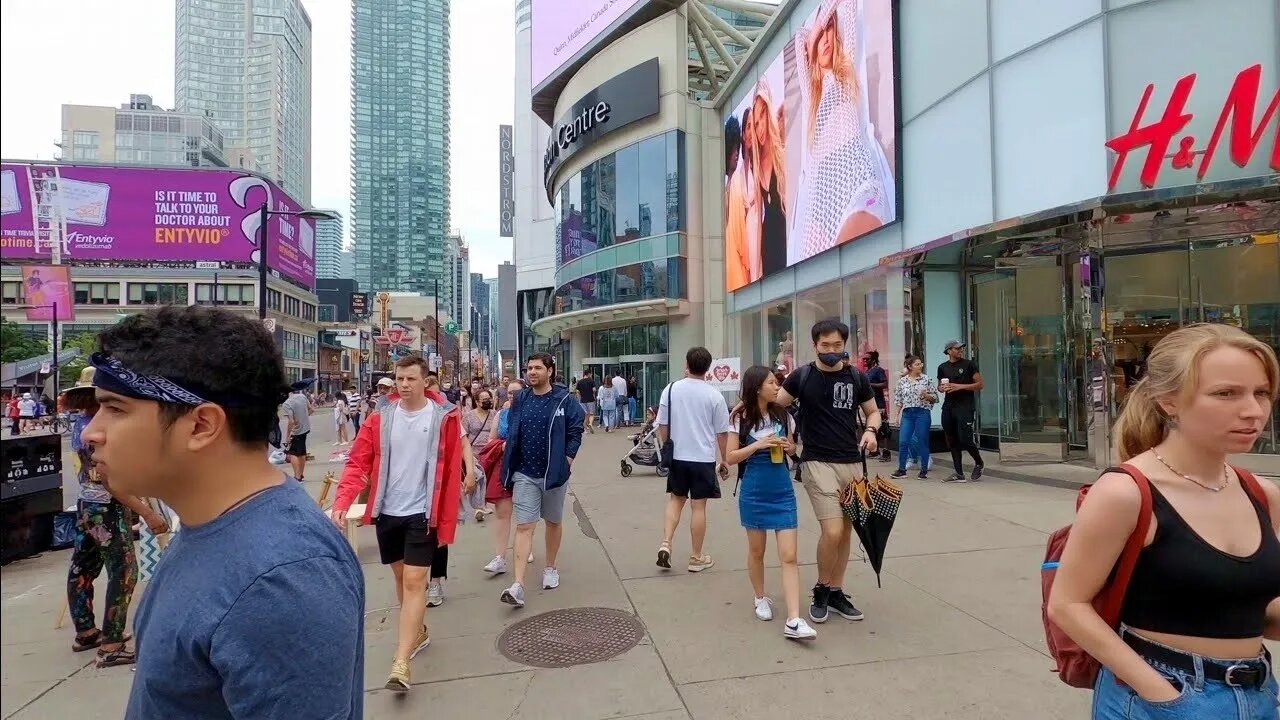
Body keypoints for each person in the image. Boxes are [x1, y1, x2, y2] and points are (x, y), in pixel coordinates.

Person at [82, 306, 364, 718]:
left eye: (116, 408)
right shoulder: (209, 526)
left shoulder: (280, 578)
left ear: (201, 426)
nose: (91, 432)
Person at [1047, 324, 1280, 719]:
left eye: (1261, 393)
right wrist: (1163, 694)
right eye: (1226, 393)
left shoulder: (1262, 493)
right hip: (1165, 694)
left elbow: (1257, 610)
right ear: (1168, 401)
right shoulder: (1128, 492)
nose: (1253, 411)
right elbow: (1068, 604)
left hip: (1259, 693)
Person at [331, 355, 472, 692]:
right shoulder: (380, 417)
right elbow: (358, 461)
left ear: (426, 381)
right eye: (399, 379)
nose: (404, 385)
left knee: (413, 581)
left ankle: (401, 661)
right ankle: (418, 631)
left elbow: (455, 460)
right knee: (402, 578)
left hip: (422, 513)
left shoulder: (443, 418)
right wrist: (343, 501)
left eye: (411, 379)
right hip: (387, 511)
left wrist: (460, 495)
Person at [775, 319, 881, 624]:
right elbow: (778, 405)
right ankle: (821, 588)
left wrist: (872, 431)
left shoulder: (857, 378)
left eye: (837, 345)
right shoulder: (801, 376)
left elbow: (872, 411)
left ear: (845, 345)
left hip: (852, 462)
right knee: (832, 530)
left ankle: (836, 591)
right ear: (815, 345)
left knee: (847, 531)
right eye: (825, 346)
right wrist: (787, 437)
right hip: (816, 462)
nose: (831, 351)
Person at [62, 367, 161, 667]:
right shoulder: (100, 430)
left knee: (82, 569)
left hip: (86, 507)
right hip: (106, 509)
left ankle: (86, 631)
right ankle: (112, 643)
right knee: (124, 572)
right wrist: (147, 513)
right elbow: (109, 480)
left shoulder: (81, 424)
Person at [791, 0, 888, 263]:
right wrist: (817, 30)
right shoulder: (813, 96)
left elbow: (846, 3)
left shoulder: (845, 73)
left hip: (852, 173)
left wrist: (825, 18)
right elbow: (799, 38)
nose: (823, 40)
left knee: (855, 261)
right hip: (821, 191)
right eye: (819, 35)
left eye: (829, 31)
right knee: (813, 285)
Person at [727, 365, 816, 641]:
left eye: (777, 383)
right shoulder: (740, 419)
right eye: (771, 383)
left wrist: (791, 449)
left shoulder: (784, 415)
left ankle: (793, 619)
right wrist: (758, 445)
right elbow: (730, 457)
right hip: (753, 491)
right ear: (756, 388)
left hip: (782, 492)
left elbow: (792, 450)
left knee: (789, 556)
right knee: (757, 551)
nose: (777, 387)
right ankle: (760, 597)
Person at [497, 353, 584, 608]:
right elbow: (512, 428)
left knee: (553, 521)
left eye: (537, 368)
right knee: (525, 525)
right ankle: (518, 585)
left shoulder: (564, 400)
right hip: (524, 473)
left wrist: (567, 460)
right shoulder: (520, 399)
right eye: (529, 368)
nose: (532, 372)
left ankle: (550, 567)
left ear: (550, 371)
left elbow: (575, 431)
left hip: (554, 474)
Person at [655, 347, 731, 574]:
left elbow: (662, 424)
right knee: (699, 506)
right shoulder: (714, 396)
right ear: (708, 368)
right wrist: (724, 460)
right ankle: (696, 557)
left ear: (687, 363)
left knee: (675, 500)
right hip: (702, 458)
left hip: (678, 456)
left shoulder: (671, 389)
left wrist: (667, 445)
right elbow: (722, 433)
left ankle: (666, 543)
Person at [749, 78, 787, 275]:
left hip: (786, 239)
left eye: (762, 115)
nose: (760, 127)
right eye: (755, 123)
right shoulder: (755, 166)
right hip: (768, 245)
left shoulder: (781, 149)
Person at [937, 340, 984, 482]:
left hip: (965, 406)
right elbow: (939, 386)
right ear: (949, 351)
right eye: (957, 349)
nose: (960, 351)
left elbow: (980, 384)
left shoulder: (969, 364)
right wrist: (942, 389)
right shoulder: (942, 367)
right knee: (951, 439)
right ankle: (959, 473)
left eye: (961, 348)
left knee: (965, 439)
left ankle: (979, 462)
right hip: (948, 406)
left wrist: (960, 387)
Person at [891, 355, 936, 480]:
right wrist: (895, 416)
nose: (920, 366)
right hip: (908, 413)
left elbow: (935, 398)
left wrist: (926, 396)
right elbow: (899, 400)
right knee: (904, 441)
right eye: (917, 364)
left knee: (922, 441)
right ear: (910, 367)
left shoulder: (926, 379)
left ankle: (924, 470)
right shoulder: (902, 382)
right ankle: (901, 469)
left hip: (922, 412)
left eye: (921, 363)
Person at [863, 351, 892, 462]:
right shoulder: (867, 372)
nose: (865, 360)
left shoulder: (878, 370)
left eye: (867, 359)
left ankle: (886, 452)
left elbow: (885, 384)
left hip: (879, 404)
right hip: (870, 404)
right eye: (864, 359)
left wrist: (870, 385)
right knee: (874, 428)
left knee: (884, 428)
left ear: (874, 360)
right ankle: (874, 451)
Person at [281, 380, 312, 482]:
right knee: (302, 452)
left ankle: (297, 476)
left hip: (296, 431)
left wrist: (288, 436)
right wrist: (304, 418)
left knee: (293, 453)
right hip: (305, 429)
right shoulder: (302, 397)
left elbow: (291, 422)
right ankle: (301, 475)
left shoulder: (287, 404)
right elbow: (311, 409)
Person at [576, 369, 598, 434]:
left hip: (582, 400)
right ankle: (590, 423)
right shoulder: (591, 381)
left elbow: (577, 391)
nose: (591, 375)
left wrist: (579, 398)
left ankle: (584, 429)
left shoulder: (580, 382)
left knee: (585, 415)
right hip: (590, 399)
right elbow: (594, 389)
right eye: (591, 374)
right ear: (588, 374)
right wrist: (593, 394)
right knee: (591, 414)